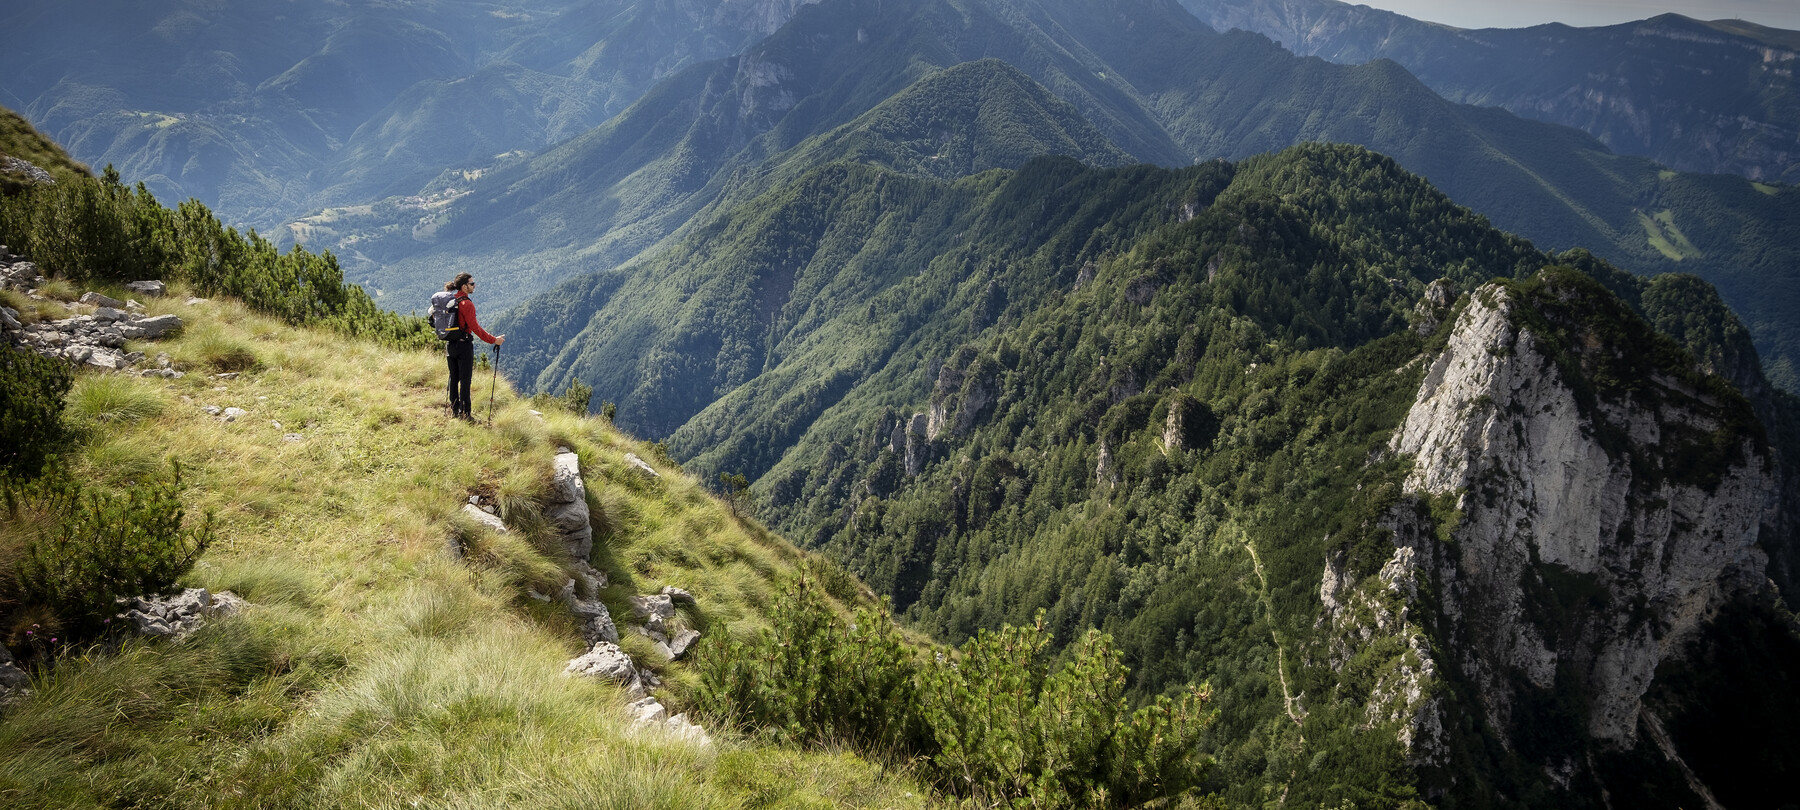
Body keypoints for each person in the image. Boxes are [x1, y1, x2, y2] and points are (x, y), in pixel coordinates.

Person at [443, 272, 504, 420]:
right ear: (464, 286)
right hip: (464, 346)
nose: (474, 285)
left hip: (450, 345)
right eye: (471, 284)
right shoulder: (467, 304)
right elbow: (475, 327)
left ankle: (455, 410)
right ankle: (466, 413)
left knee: (453, 377)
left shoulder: (451, 300)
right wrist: (493, 340)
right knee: (465, 380)